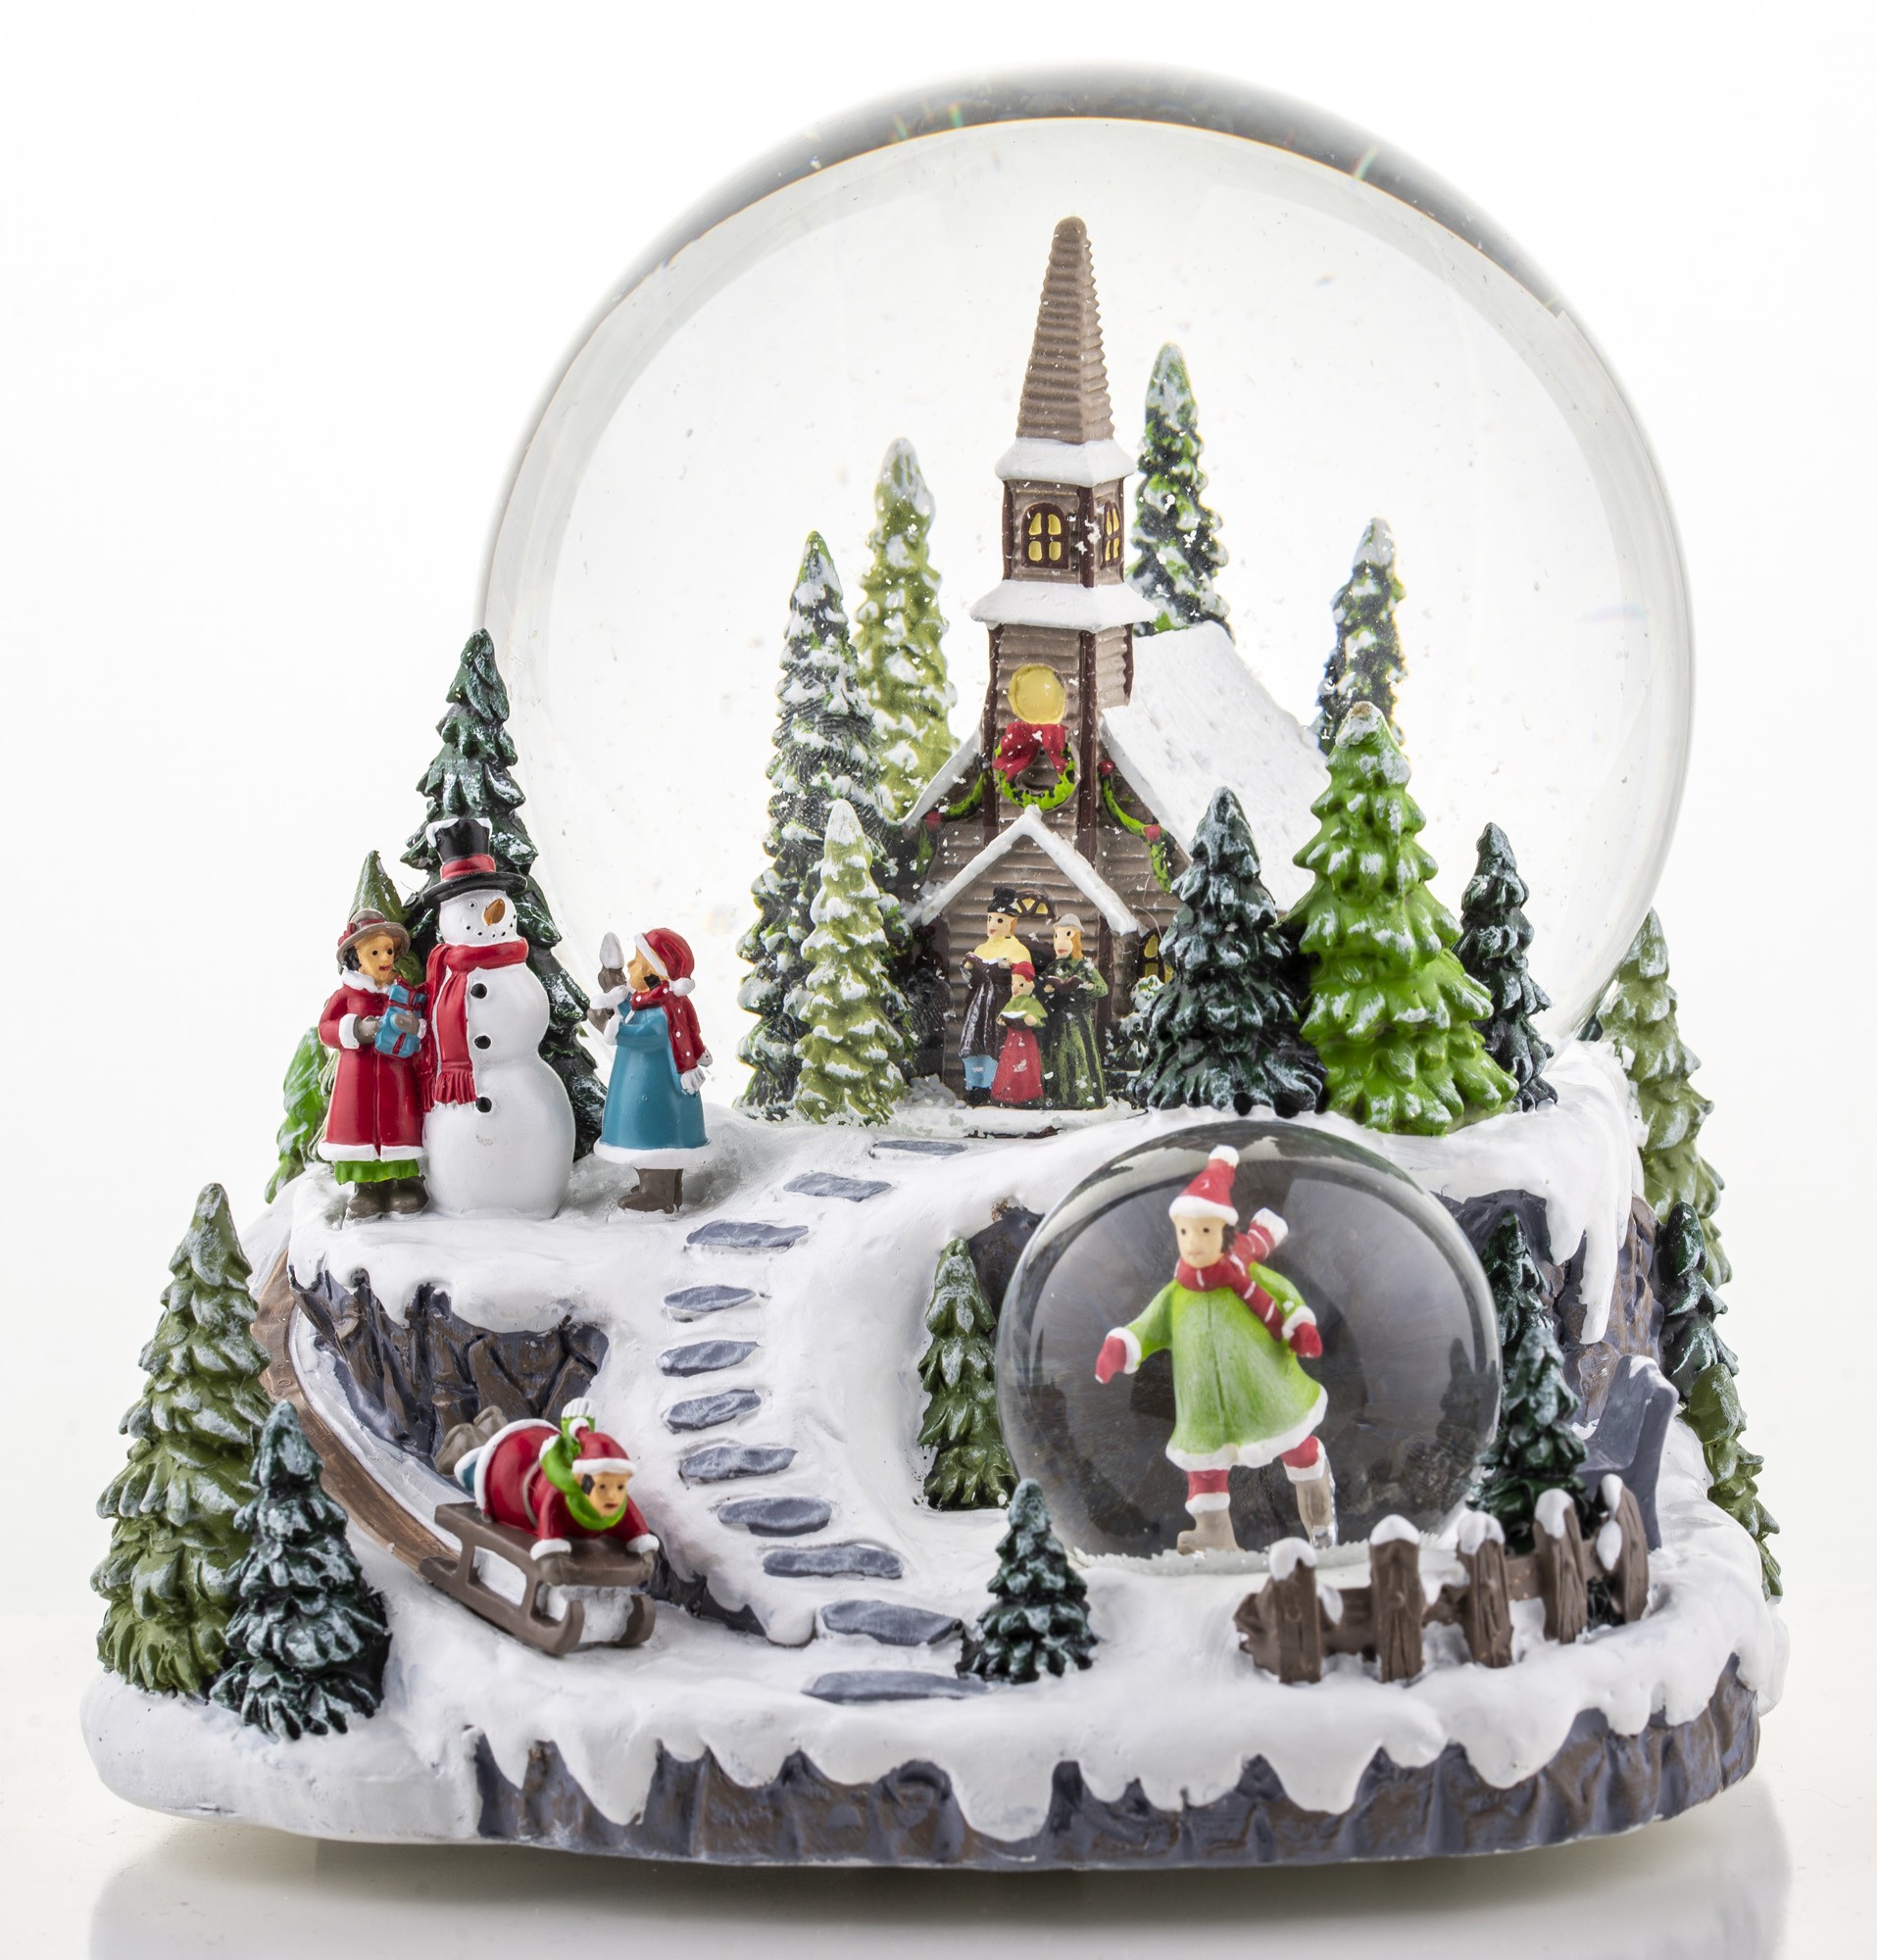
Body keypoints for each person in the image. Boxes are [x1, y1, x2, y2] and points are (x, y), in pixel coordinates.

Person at [1094, 1146, 1335, 1553]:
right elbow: (1148, 1325)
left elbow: (1285, 1296)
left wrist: (1301, 1326)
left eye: (1203, 1232)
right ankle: (1214, 1533)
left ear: (1223, 1232)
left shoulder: (1247, 1276)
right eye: (1185, 1232)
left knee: (1291, 1438)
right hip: (1204, 1407)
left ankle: (1316, 1498)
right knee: (1205, 1468)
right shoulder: (1177, 1295)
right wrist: (1122, 1346)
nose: (1193, 1243)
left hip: (1263, 1387)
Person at [317, 909, 427, 1222]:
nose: (385, 959)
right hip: (358, 1079)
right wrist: (354, 1029)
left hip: (396, 1077)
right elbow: (325, 1029)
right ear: (356, 957)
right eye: (375, 952)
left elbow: (422, 1023)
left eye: (388, 951)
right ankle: (366, 1189)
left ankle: (404, 1183)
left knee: (399, 1127)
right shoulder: (346, 995)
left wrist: (415, 1027)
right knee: (360, 1130)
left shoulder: (402, 993)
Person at [594, 927, 710, 1154]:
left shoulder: (662, 1015)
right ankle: (659, 1175)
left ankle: (658, 1175)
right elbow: (631, 1010)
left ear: (654, 976)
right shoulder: (647, 1002)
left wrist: (607, 1028)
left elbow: (643, 1036)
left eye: (638, 962)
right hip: (643, 1086)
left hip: (652, 1096)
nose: (630, 965)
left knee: (653, 1147)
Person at [958, 890, 1025, 1106]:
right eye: (989, 919)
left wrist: (1000, 969)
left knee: (995, 1043)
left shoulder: (1016, 948)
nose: (992, 924)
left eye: (999, 920)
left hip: (1000, 1003)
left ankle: (995, 1086)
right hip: (980, 1003)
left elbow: (1022, 978)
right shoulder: (982, 948)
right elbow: (973, 979)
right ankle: (976, 1086)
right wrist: (969, 967)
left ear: (1011, 922)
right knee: (975, 1042)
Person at [1040, 914, 1109, 1107]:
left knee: (1078, 1055)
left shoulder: (1084, 966)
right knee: (1056, 1057)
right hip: (1055, 1020)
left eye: (1067, 935)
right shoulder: (1053, 967)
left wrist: (1085, 987)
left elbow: (1102, 989)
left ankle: (1081, 1096)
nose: (1060, 942)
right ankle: (1056, 1096)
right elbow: (1040, 986)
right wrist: (1046, 989)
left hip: (1077, 1021)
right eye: (1057, 936)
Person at [991, 961, 1048, 1105]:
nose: (1015, 988)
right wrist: (1002, 1019)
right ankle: (1008, 1093)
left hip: (1026, 1039)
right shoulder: (1012, 1002)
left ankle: (1027, 1094)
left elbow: (1039, 1018)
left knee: (1026, 1064)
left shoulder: (1031, 1002)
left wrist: (1031, 1019)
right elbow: (1002, 1014)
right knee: (1010, 1063)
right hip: (1012, 1039)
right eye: (1013, 984)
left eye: (1020, 984)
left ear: (1030, 985)